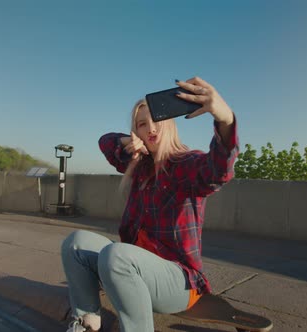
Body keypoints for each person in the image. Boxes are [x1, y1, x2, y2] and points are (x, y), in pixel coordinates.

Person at [60, 77, 239, 332]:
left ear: (170, 124)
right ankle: (87, 321)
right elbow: (105, 141)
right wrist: (126, 142)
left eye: (156, 120)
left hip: (178, 283)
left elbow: (219, 170)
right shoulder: (138, 165)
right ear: (137, 132)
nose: (151, 128)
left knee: (116, 254)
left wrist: (225, 119)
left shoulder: (186, 163)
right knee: (75, 243)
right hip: (132, 271)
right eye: (142, 124)